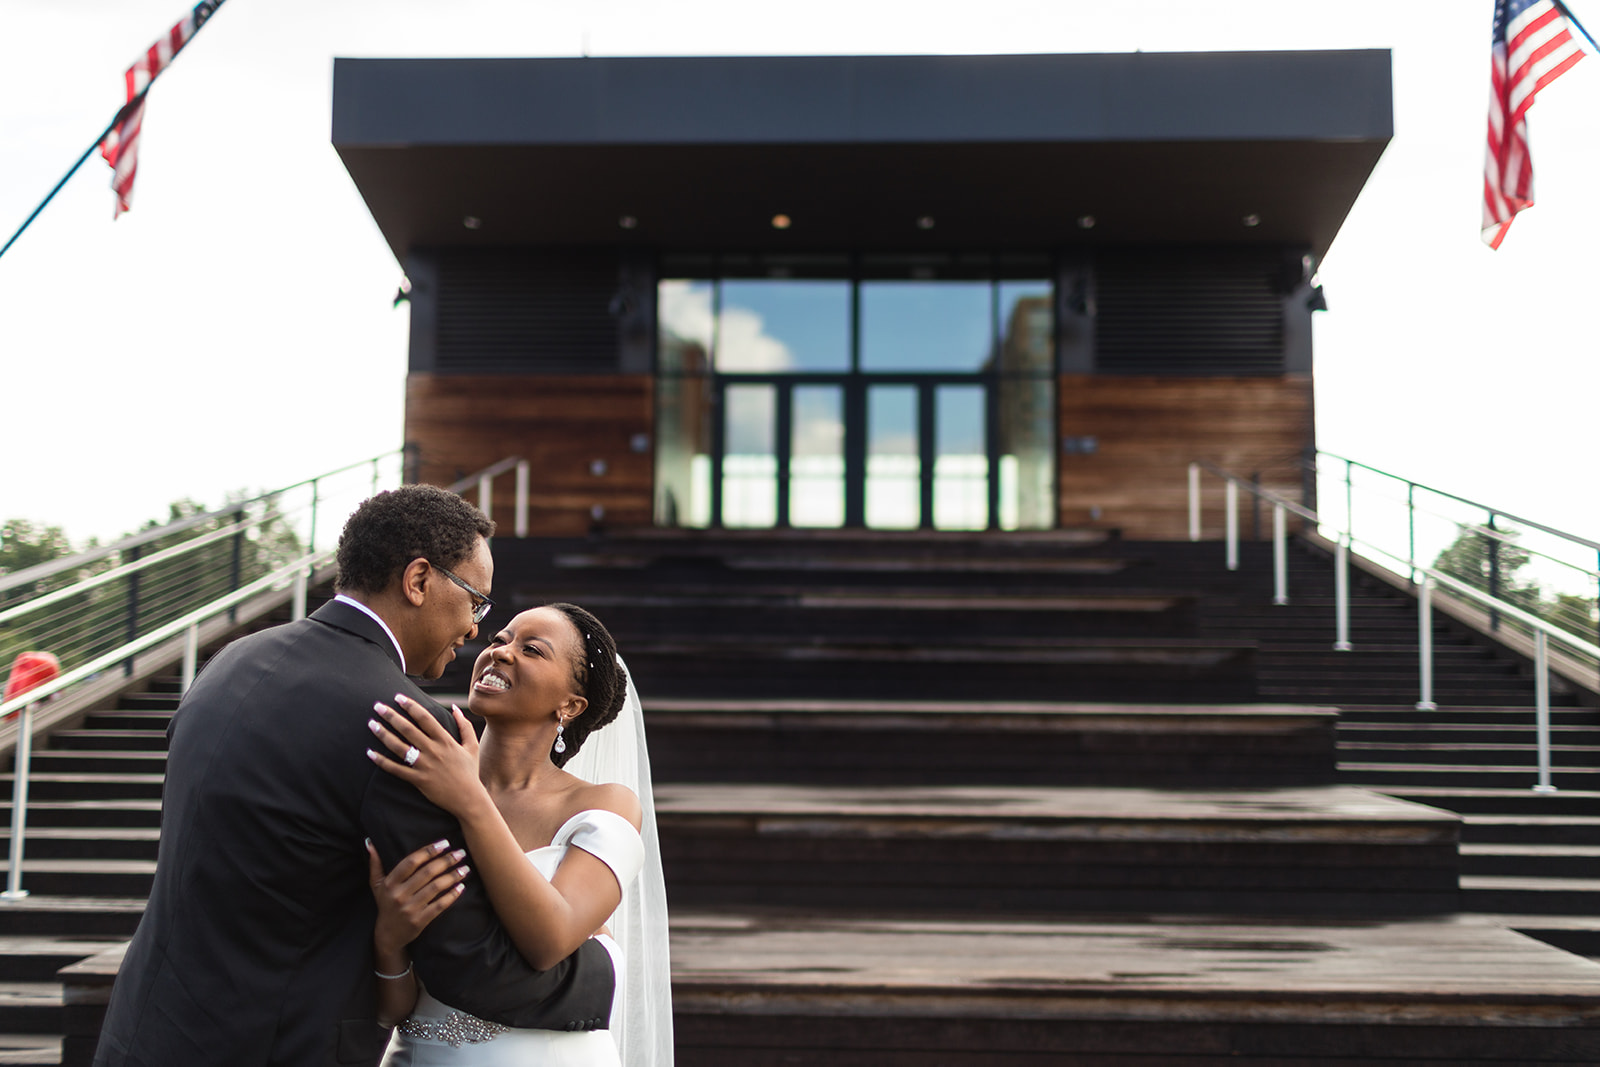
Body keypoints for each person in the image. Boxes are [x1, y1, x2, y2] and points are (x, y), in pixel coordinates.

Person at [94, 486, 615, 1067]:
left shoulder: (233, 661)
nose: (474, 630)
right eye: (475, 602)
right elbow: (469, 959)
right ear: (418, 580)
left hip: (144, 1032)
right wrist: (606, 970)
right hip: (274, 1045)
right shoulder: (404, 723)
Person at [363, 603, 673, 1065]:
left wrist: (470, 799)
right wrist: (389, 939)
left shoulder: (603, 805)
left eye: (532, 650)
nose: (501, 652)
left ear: (570, 705)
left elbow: (550, 940)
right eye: (499, 639)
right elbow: (394, 1010)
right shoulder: (421, 791)